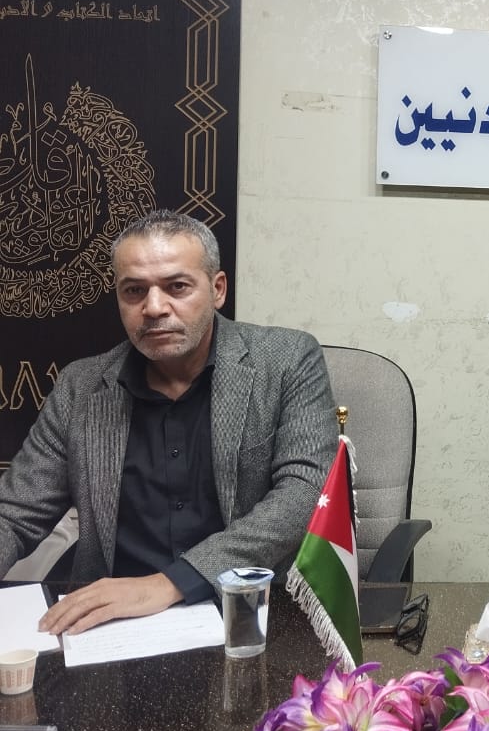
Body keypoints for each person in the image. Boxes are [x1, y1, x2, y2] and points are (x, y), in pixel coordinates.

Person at [0, 210, 337, 634]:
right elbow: (15, 513)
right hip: (110, 628)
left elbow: (306, 492)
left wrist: (171, 583)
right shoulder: (80, 387)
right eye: (134, 291)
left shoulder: (287, 361)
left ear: (217, 289)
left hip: (248, 616)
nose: (154, 308)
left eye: (177, 287)